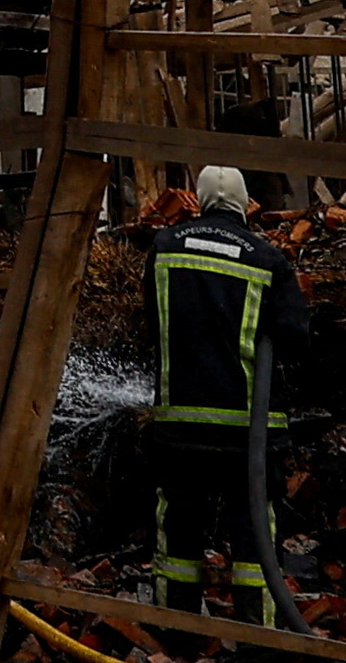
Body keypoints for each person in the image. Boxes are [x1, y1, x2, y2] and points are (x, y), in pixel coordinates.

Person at [128, 167, 305, 615]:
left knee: (180, 532)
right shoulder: (267, 259)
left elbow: (153, 321)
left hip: (180, 428)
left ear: (199, 199)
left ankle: (176, 628)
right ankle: (257, 637)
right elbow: (295, 340)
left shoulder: (164, 248)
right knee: (254, 539)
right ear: (246, 204)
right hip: (249, 432)